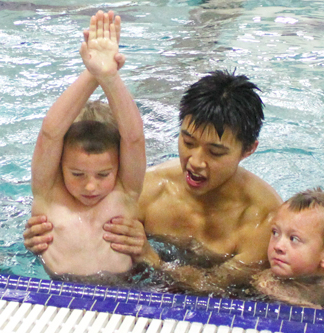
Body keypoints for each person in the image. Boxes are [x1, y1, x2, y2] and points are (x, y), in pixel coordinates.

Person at [25, 69, 283, 294]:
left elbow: (218, 288)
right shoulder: (150, 189)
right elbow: (78, 217)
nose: (195, 161)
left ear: (248, 150)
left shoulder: (266, 221)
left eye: (215, 152)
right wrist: (37, 235)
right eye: (188, 142)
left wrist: (153, 259)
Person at [30, 10, 146, 277]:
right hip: (56, 295)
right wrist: (93, 74)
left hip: (124, 292)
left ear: (118, 167)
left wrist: (110, 77)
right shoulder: (48, 193)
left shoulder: (125, 193)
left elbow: (134, 139)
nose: (91, 186)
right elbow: (50, 134)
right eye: (77, 174)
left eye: (104, 174)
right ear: (60, 165)